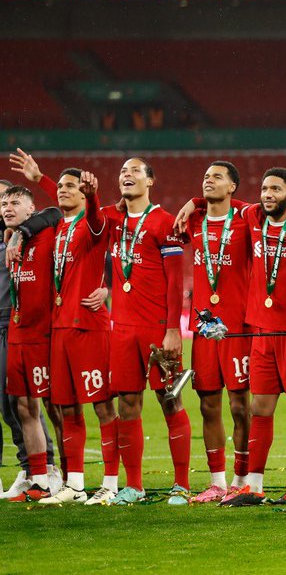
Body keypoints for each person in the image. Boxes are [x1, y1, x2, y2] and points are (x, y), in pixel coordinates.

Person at [8, 155, 120, 504]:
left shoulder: (92, 226)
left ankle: (111, 484)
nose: (63, 191)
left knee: (102, 408)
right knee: (68, 407)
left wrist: (93, 196)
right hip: (59, 331)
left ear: (84, 195)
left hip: (89, 327)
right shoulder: (57, 229)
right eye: (60, 187)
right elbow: (53, 208)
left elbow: (97, 217)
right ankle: (74, 485)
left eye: (71, 187)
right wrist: (41, 178)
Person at [213, 168, 286, 506]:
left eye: (276, 188)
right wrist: (194, 201)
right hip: (261, 331)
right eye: (264, 188)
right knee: (260, 407)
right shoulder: (251, 216)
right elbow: (220, 199)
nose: (268, 193)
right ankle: (255, 487)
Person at [95, 158, 189, 505]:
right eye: (121, 171)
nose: (127, 175)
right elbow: (79, 214)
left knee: (170, 399)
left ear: (150, 181)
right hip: (122, 329)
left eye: (135, 171)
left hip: (155, 330)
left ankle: (181, 485)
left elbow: (175, 281)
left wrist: (172, 331)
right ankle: (133, 485)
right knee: (128, 403)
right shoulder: (112, 219)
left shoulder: (165, 223)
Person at [178, 161, 253, 503]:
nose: (208, 181)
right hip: (205, 327)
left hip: (238, 327)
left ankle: (242, 478)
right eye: (205, 177)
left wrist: (194, 199)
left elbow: (256, 207)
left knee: (240, 406)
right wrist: (196, 204)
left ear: (233, 187)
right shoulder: (192, 221)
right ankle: (218, 482)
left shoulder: (246, 219)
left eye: (217, 177)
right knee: (209, 404)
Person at [1, 185, 61, 501]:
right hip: (17, 334)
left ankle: (66, 478)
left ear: (30, 208)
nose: (8, 207)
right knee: (23, 406)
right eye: (4, 203)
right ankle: (38, 481)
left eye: (16, 202)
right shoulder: (8, 241)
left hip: (44, 335)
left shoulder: (43, 234)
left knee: (56, 406)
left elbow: (54, 212)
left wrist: (19, 233)